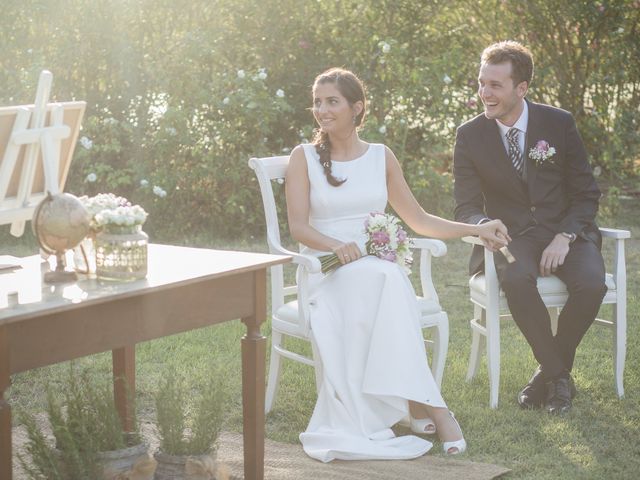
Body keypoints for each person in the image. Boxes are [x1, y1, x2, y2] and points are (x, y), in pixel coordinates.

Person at [285, 67, 509, 463]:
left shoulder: (380, 156)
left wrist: (476, 230)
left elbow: (419, 220)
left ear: (357, 108)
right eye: (317, 102)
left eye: (332, 101)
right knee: (387, 279)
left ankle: (419, 404)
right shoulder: (303, 158)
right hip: (326, 272)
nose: (321, 109)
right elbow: (299, 226)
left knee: (385, 276)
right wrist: (338, 246)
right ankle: (433, 408)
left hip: (375, 271)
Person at [453, 41, 606, 414]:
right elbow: (466, 207)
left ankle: (546, 375)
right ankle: (558, 377)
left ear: (521, 88)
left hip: (566, 232)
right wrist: (482, 224)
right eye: (481, 83)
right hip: (513, 237)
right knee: (517, 279)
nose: (484, 93)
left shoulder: (558, 123)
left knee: (592, 284)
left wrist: (565, 236)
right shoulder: (469, 135)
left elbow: (586, 193)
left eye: (495, 85)